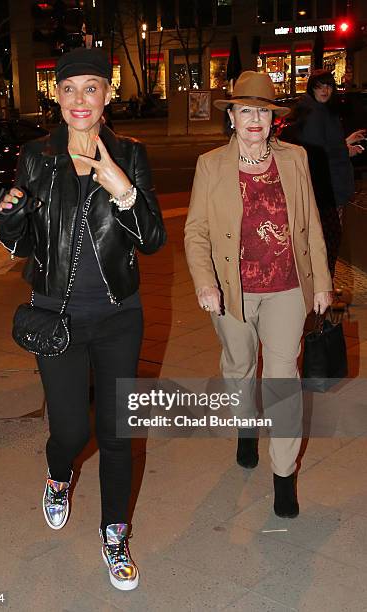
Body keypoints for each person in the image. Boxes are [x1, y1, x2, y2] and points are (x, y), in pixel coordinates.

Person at [0, 47, 166, 590]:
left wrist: (123, 189)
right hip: (55, 314)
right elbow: (17, 242)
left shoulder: (131, 153)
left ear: (108, 94)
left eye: (91, 88)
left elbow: (154, 239)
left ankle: (115, 534)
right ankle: (58, 473)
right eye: (69, 89)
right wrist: (9, 216)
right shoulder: (36, 156)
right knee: (70, 430)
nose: (79, 99)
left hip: (119, 316)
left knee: (118, 434)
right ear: (57, 97)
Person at [185, 71, 333, 518]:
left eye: (263, 111)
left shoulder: (295, 159)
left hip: (287, 285)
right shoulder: (211, 165)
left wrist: (322, 281)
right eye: (245, 110)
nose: (255, 119)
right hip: (232, 293)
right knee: (239, 367)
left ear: (274, 119)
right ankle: (245, 426)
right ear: (231, 116)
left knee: (284, 376)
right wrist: (204, 282)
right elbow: (196, 232)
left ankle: (283, 476)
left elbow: (310, 222)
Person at [279, 69, 365, 278]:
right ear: (311, 88)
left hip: (326, 187)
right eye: (319, 85)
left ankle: (324, 287)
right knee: (328, 240)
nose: (325, 90)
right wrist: (346, 150)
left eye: (328, 85)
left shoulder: (318, 110)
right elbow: (316, 153)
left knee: (326, 239)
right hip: (326, 189)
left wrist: (346, 142)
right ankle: (323, 289)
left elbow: (322, 145)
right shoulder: (316, 113)